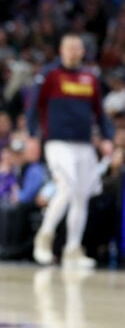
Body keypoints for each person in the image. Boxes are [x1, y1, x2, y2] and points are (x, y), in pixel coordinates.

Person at [28, 33, 114, 268]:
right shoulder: (50, 74)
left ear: (83, 51)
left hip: (84, 144)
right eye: (70, 47)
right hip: (57, 142)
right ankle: (44, 237)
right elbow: (34, 107)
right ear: (61, 50)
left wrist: (107, 138)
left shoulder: (90, 77)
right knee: (67, 188)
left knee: (81, 196)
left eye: (78, 48)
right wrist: (32, 135)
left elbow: (100, 112)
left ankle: (73, 249)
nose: (74, 52)